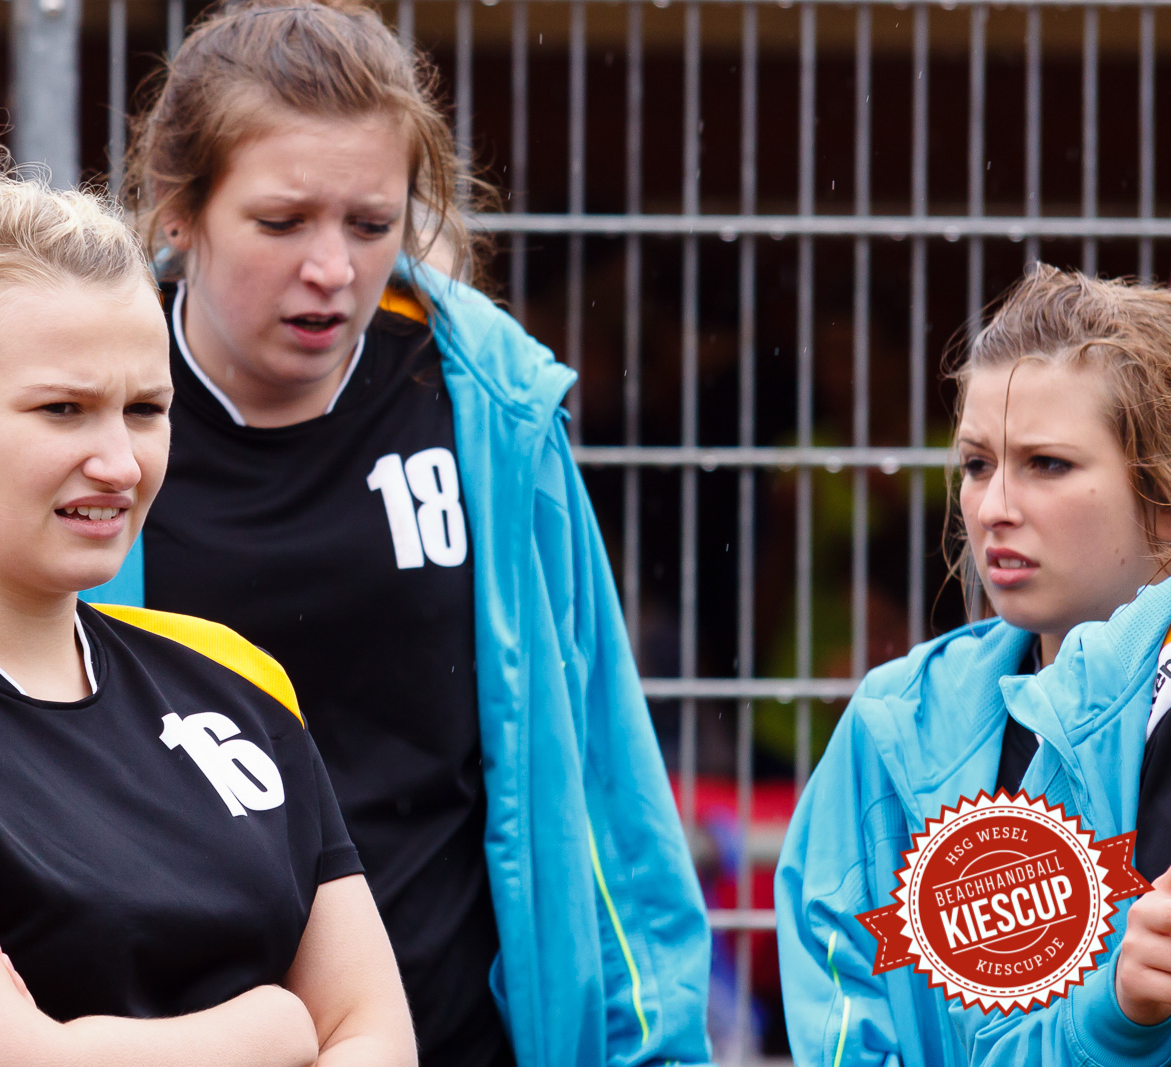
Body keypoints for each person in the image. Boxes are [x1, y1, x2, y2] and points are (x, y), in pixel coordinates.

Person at [88, 3, 712, 1064]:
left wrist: (654, 1041)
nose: (331, 267)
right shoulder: (80, 422)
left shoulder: (488, 406)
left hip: (457, 1029)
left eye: (370, 225)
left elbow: (604, 774)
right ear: (179, 210)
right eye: (283, 222)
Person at [0, 179, 416, 1067]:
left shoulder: (234, 678)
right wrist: (272, 1029)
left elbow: (374, 1031)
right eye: (63, 409)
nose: (120, 463)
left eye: (146, 410)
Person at [776, 265, 1171, 1065]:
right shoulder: (896, 719)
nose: (993, 509)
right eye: (977, 464)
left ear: (1159, 495)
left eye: (1047, 464)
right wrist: (1110, 1019)